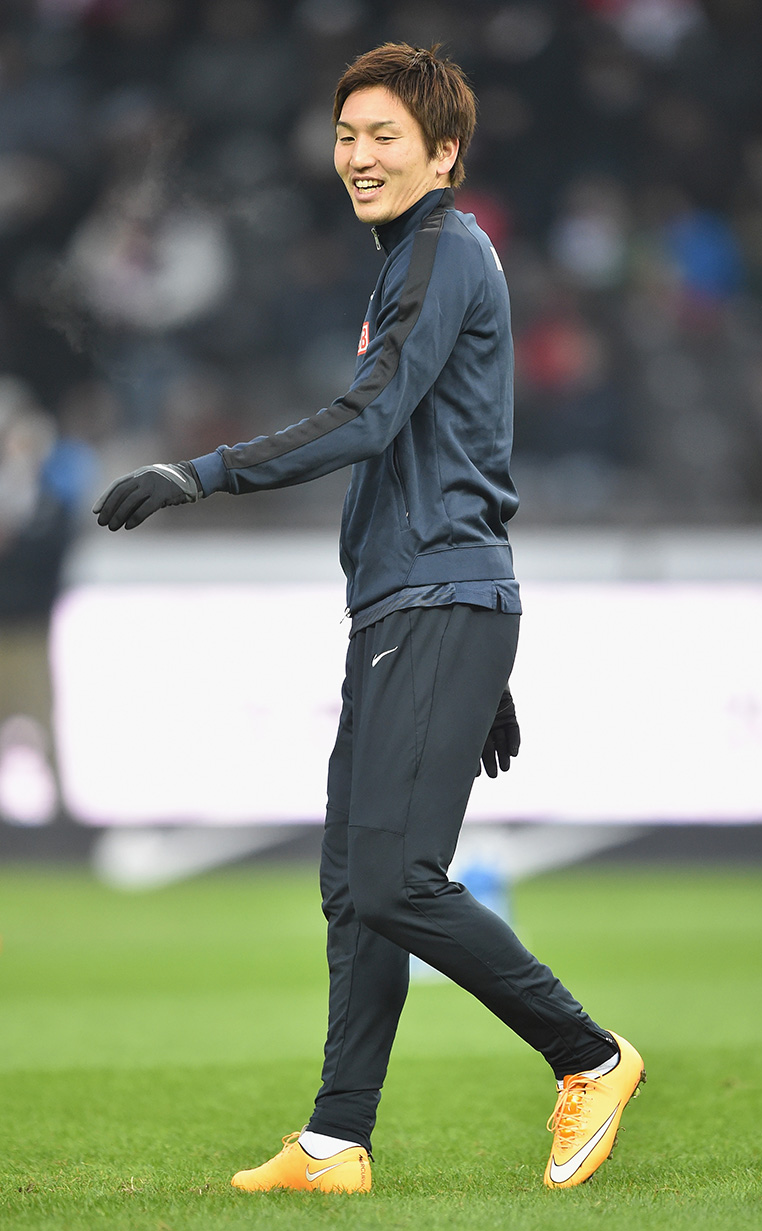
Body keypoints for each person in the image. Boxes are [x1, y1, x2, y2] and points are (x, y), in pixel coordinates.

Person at [93, 42, 644, 1194]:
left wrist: (202, 472)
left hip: (435, 598)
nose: (357, 155)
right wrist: (480, 667)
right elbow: (453, 450)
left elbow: (371, 417)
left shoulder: (439, 249)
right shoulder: (417, 258)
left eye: (382, 135)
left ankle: (587, 1054)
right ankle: (335, 1141)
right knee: (355, 886)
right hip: (418, 602)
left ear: (442, 152)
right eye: (346, 135)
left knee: (394, 880)